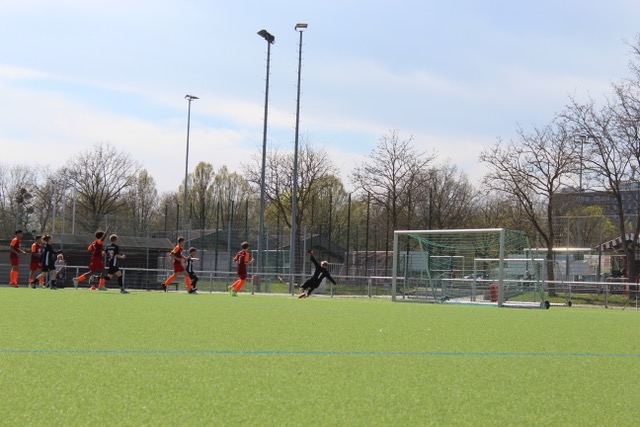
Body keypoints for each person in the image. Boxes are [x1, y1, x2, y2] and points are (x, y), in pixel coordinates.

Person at [73, 226, 110, 291]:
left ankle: (101, 286)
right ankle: (77, 279)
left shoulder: (94, 242)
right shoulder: (98, 241)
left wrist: (97, 252)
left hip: (97, 258)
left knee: (103, 271)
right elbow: (102, 238)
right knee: (92, 272)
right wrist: (107, 230)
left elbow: (89, 248)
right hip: (96, 258)